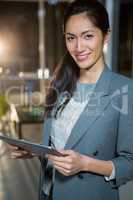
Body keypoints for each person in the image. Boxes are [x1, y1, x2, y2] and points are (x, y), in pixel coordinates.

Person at [9, 0, 133, 200]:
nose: (78, 47)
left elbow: (130, 163)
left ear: (106, 36)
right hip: (48, 191)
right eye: (71, 38)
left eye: (88, 36)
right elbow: (63, 143)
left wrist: (85, 164)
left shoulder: (125, 89)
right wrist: (34, 149)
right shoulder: (61, 83)